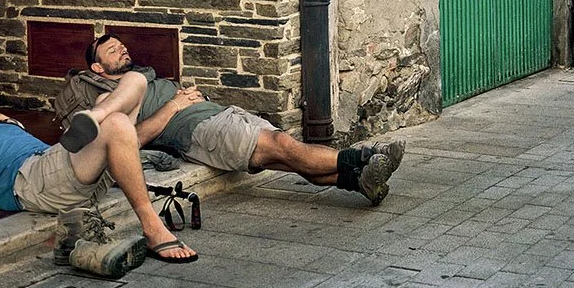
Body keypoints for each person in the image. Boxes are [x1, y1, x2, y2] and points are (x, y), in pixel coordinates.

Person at [0, 63, 198, 275]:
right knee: (118, 122)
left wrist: (6, 124)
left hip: (56, 165)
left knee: (135, 81)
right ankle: (152, 228)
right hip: (32, 181)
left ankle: (97, 114)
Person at [56, 33, 405, 206]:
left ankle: (357, 181)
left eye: (122, 46)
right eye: (112, 50)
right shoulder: (110, 96)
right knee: (283, 145)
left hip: (219, 114)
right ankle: (365, 156)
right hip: (198, 131)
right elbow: (132, 139)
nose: (122, 49)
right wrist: (174, 106)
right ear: (97, 67)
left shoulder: (142, 75)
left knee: (286, 157)